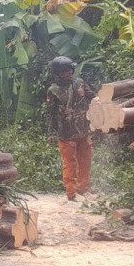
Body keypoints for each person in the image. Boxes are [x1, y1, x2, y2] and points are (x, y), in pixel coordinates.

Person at [46, 56, 96, 201]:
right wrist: (50, 132)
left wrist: (101, 103)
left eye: (70, 70)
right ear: (58, 73)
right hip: (66, 133)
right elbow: (50, 113)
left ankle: (84, 189)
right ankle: (71, 193)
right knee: (70, 164)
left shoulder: (79, 83)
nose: (69, 73)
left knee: (85, 161)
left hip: (83, 129)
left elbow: (92, 96)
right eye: (66, 71)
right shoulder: (53, 90)